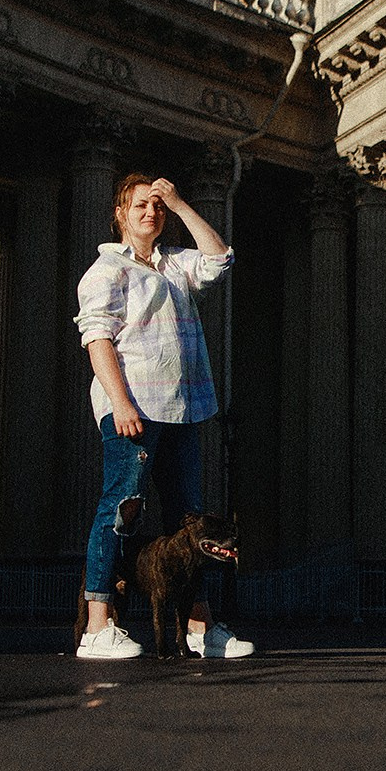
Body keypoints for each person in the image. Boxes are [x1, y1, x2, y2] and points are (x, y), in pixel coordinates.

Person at [73, 172, 254, 660]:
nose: (150, 213)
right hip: (133, 408)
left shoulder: (175, 264)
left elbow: (220, 258)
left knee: (188, 520)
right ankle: (97, 625)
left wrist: (180, 204)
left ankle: (200, 627)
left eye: (156, 206)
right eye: (141, 206)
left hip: (181, 408)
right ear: (120, 214)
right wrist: (121, 403)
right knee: (121, 509)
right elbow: (97, 339)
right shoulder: (106, 270)